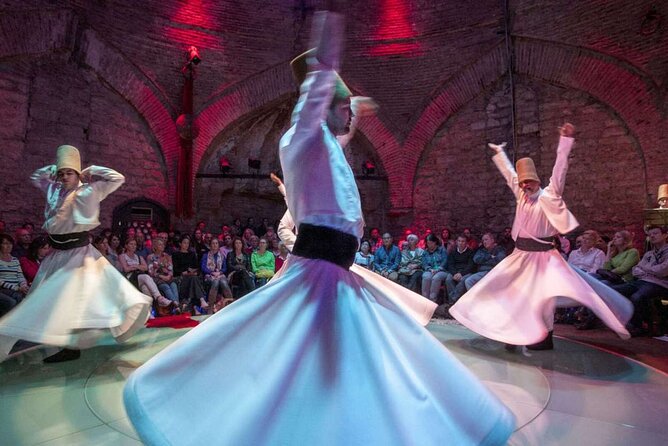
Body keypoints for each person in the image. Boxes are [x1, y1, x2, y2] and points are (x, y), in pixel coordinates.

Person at [124, 12, 514, 446]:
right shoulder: (300, 136)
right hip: (317, 270)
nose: (347, 115)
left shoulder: (324, 143)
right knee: (298, 357)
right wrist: (324, 60)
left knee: (363, 356)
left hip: (337, 270)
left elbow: (338, 138)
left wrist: (356, 115)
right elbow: (313, 113)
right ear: (322, 102)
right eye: (342, 106)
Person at [450, 125, 633, 350]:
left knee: (542, 299)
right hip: (520, 256)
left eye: (530, 181)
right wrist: (499, 153)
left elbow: (560, 170)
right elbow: (509, 175)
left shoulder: (550, 195)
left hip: (544, 258)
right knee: (511, 292)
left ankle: (544, 338)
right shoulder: (521, 196)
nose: (526, 185)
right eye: (523, 182)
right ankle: (513, 333)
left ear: (537, 180)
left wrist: (565, 141)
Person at [0, 145, 151, 362]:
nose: (64, 177)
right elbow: (36, 177)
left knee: (78, 299)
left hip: (79, 255)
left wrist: (92, 170)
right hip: (56, 255)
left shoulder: (89, 190)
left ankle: (72, 346)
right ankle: (66, 344)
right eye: (61, 174)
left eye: (69, 173)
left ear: (78, 174)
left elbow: (117, 178)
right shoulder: (53, 189)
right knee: (46, 301)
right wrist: (55, 169)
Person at [612, 226, 668, 336]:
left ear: (665, 235)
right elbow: (635, 270)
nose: (652, 236)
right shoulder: (649, 254)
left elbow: (663, 271)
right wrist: (649, 271)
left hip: (660, 284)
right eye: (650, 234)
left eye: (655, 233)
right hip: (642, 281)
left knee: (637, 297)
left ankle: (640, 326)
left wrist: (646, 269)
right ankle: (629, 322)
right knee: (614, 291)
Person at [0, 234, 29, 317]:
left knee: (26, 297)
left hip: (16, 289)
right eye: (5, 243)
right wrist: (16, 288)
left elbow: (20, 275)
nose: (8, 246)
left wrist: (24, 285)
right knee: (12, 302)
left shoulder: (15, 259)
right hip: (3, 289)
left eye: (10, 243)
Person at [201, 237, 233, 311]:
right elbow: (203, 267)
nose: (215, 245)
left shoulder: (222, 255)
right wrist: (212, 272)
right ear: (210, 245)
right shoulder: (206, 255)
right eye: (213, 243)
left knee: (223, 282)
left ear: (218, 245)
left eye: (216, 243)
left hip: (220, 274)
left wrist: (219, 272)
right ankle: (210, 307)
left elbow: (225, 268)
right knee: (215, 282)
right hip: (209, 275)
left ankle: (231, 303)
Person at [421, 233, 448, 302]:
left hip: (442, 271)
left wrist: (438, 269)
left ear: (435, 242)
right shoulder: (425, 252)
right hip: (429, 270)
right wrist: (429, 269)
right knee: (426, 277)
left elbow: (445, 262)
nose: (429, 245)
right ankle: (425, 300)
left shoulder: (442, 250)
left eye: (431, 243)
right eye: (428, 243)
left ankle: (432, 300)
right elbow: (424, 263)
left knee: (436, 278)